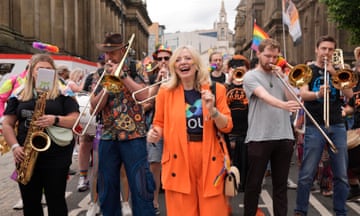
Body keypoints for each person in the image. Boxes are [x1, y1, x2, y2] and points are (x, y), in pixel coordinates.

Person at [147, 45, 233, 216]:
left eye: (187, 58)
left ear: (196, 64)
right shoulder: (165, 92)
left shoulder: (217, 90)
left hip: (210, 157)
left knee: (213, 211)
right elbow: (159, 123)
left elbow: (227, 125)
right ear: (173, 67)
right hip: (177, 158)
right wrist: (154, 133)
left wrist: (213, 111)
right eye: (178, 60)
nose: (183, 62)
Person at [2, 53, 79, 216]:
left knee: (56, 200)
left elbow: (75, 119)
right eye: (40, 69)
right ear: (31, 71)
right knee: (30, 203)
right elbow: (7, 123)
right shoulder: (19, 94)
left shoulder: (63, 92)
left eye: (49, 69)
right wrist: (15, 147)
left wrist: (55, 119)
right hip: (25, 153)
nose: (44, 72)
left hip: (57, 155)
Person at [92, 33, 155, 216]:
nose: (109, 56)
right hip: (108, 135)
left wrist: (123, 76)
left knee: (140, 184)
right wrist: (108, 84)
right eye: (106, 53)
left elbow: (145, 96)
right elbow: (94, 109)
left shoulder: (136, 67)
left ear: (122, 50)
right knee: (107, 185)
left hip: (134, 135)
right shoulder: (100, 73)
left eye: (112, 52)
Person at [294, 35, 353, 216]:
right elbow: (303, 95)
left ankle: (340, 211)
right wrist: (318, 94)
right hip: (315, 126)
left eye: (330, 49)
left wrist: (335, 73)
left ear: (334, 52)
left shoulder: (338, 70)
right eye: (323, 49)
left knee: (341, 175)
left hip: (337, 124)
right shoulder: (307, 70)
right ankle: (300, 211)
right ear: (316, 49)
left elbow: (349, 93)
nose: (326, 52)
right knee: (307, 173)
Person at [242, 38, 300, 216]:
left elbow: (293, 98)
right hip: (260, 136)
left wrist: (283, 78)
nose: (271, 60)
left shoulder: (280, 75)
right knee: (253, 185)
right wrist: (283, 106)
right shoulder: (250, 76)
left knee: (281, 186)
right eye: (267, 56)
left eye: (275, 57)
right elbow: (263, 95)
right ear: (258, 54)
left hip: (283, 135)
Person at [145, 44, 172, 215]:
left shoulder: (180, 74)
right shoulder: (151, 76)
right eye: (159, 59)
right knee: (154, 164)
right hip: (157, 125)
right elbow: (147, 100)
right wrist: (158, 81)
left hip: (176, 126)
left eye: (166, 58)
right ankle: (154, 202)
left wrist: (170, 79)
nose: (162, 62)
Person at [224, 54, 250, 192]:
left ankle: (243, 184)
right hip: (230, 131)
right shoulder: (226, 86)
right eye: (236, 70)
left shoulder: (249, 86)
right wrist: (229, 80)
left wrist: (247, 83)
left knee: (245, 161)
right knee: (230, 161)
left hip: (246, 129)